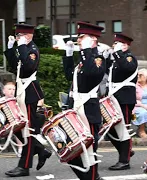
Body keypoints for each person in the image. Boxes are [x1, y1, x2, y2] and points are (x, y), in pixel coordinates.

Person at [4, 23, 52, 177]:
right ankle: (40, 150)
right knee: (19, 127)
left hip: (30, 91)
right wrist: (11, 49)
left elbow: (29, 66)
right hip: (22, 90)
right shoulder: (23, 47)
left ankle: (24, 166)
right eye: (17, 36)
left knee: (28, 130)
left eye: (20, 35)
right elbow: (14, 67)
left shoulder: (32, 50)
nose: (18, 38)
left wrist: (22, 47)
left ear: (28, 35)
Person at [63, 21, 105, 180]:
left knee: (88, 152)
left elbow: (91, 73)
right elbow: (70, 77)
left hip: (88, 111)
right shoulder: (84, 58)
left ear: (93, 39)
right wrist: (68, 56)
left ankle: (93, 178)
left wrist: (87, 50)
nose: (78, 40)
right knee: (71, 152)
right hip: (76, 109)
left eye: (82, 37)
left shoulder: (97, 58)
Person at [103, 33, 137, 171]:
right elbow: (108, 74)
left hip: (124, 98)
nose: (113, 46)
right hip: (114, 98)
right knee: (109, 130)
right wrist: (105, 59)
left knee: (123, 130)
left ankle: (124, 161)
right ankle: (127, 151)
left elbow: (126, 68)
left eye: (117, 44)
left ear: (125, 45)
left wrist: (117, 54)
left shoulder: (129, 57)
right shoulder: (117, 60)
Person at [0, 82, 23, 159]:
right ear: (4, 91)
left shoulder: (18, 100)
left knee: (19, 127)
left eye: (14, 89)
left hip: (16, 121)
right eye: (9, 89)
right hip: (3, 124)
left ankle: (21, 149)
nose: (12, 91)